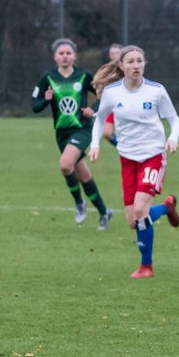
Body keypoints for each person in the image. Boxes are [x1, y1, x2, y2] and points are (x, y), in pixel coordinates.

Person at [89, 46, 179, 278]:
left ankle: (146, 267)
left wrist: (172, 137)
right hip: (127, 159)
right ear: (121, 65)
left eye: (140, 60)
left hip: (153, 155)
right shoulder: (112, 92)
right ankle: (167, 207)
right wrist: (95, 144)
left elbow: (174, 119)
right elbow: (99, 119)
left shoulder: (156, 91)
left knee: (141, 210)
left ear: (145, 63)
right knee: (133, 221)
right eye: (130, 61)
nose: (136, 65)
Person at [31, 38, 113, 230]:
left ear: (74, 56)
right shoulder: (47, 78)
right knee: (83, 176)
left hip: (83, 129)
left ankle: (79, 204)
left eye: (68, 53)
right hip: (62, 134)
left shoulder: (83, 75)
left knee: (65, 165)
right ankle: (104, 212)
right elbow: (34, 106)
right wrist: (46, 99)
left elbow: (103, 94)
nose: (65, 56)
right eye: (61, 53)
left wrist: (93, 110)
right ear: (55, 57)